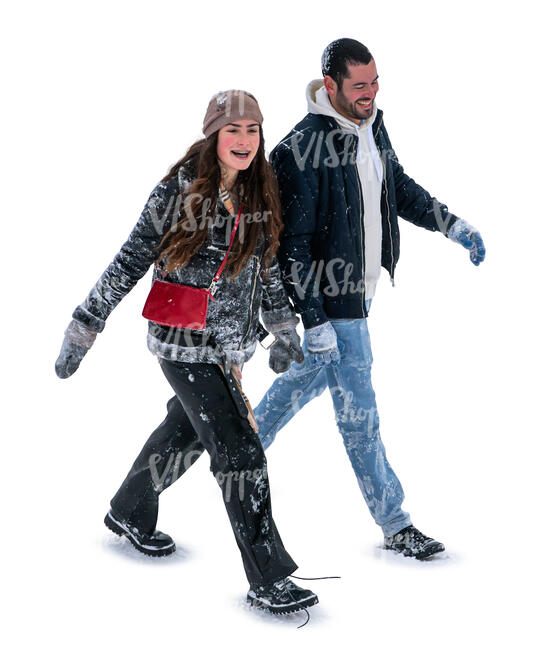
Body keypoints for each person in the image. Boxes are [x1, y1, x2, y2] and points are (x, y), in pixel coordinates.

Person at [55, 89, 319, 615]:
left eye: (252, 131)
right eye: (232, 131)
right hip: (182, 341)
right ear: (213, 135)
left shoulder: (259, 190)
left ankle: (130, 508)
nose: (243, 141)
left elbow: (265, 269)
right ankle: (268, 576)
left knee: (187, 429)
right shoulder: (178, 192)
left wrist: (283, 326)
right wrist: (86, 324)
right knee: (240, 450)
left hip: (229, 346)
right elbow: (129, 259)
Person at [251, 38, 486, 560]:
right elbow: (290, 246)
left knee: (296, 388)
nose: (371, 92)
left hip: (359, 294)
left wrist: (453, 225)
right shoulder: (299, 149)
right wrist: (313, 320)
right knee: (360, 414)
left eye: (375, 81)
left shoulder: (372, 123)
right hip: (333, 305)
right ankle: (396, 522)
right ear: (329, 85)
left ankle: (232, 450)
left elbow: (396, 188)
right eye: (360, 85)